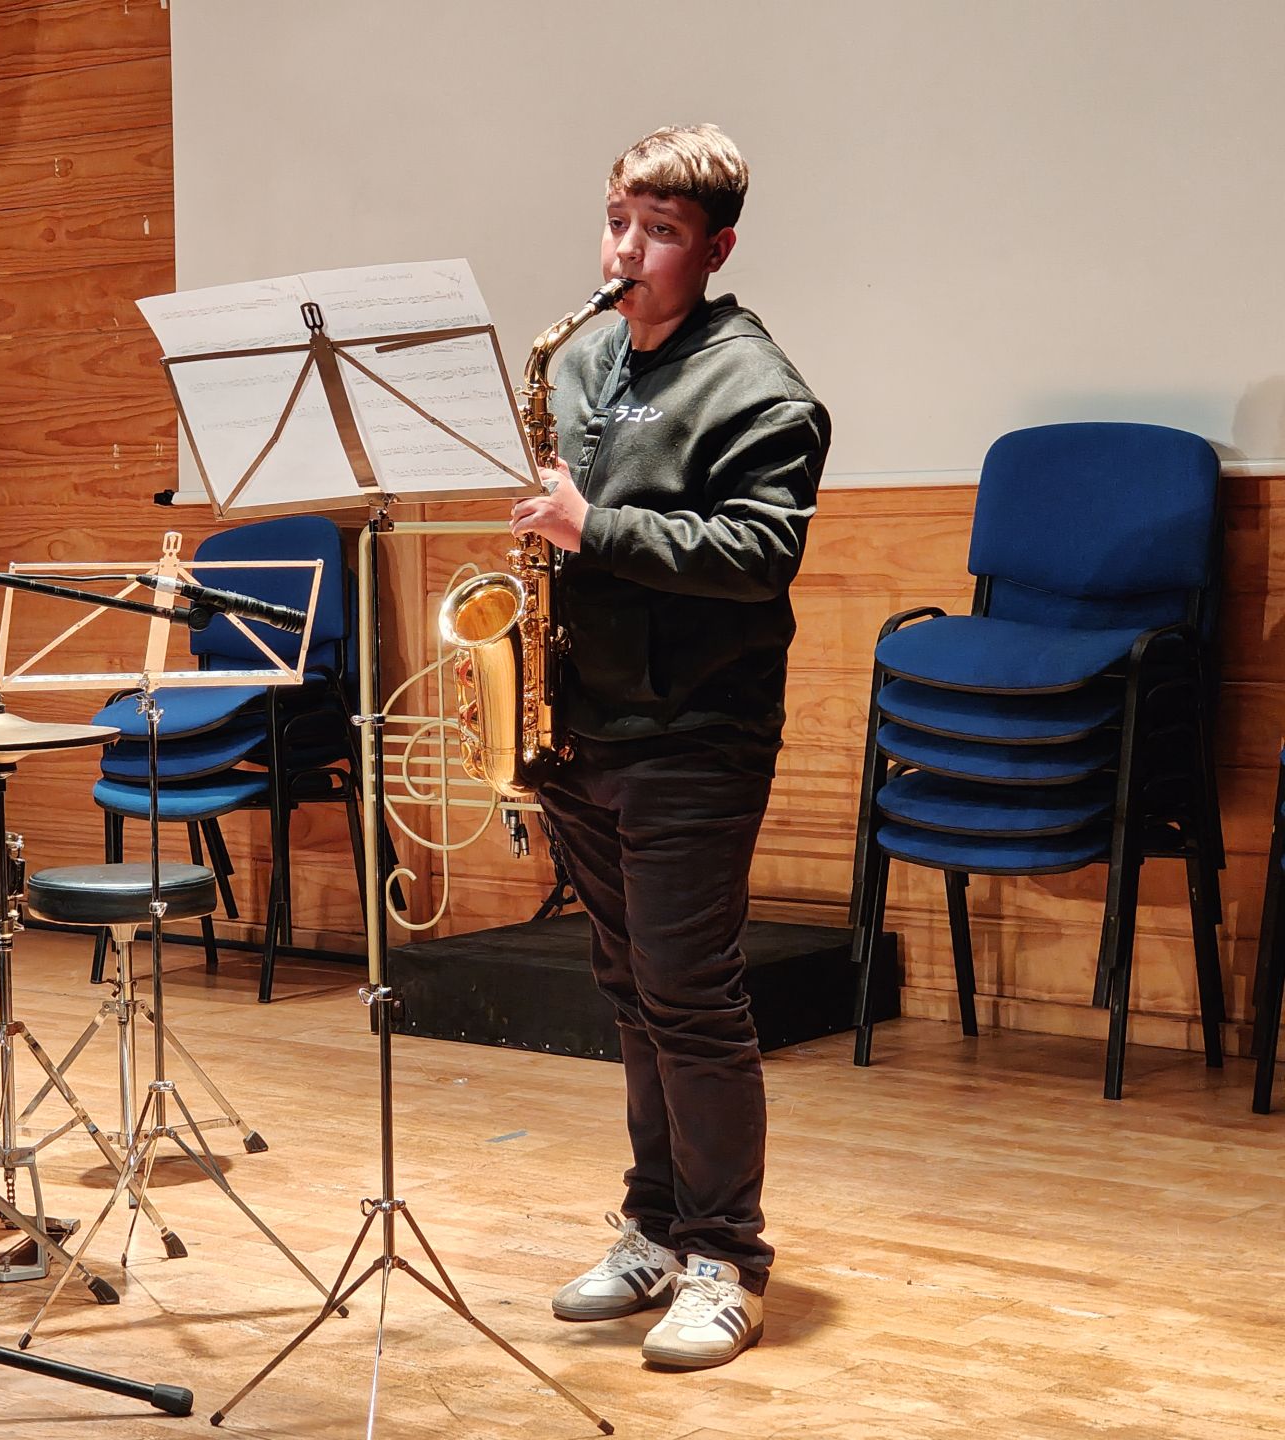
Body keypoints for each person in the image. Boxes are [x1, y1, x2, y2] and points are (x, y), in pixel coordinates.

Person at [509, 123, 830, 1372]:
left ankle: (727, 1258)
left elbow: (759, 556)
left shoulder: (760, 388)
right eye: (619, 223)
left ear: (717, 247)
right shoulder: (587, 360)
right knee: (630, 992)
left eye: (660, 233)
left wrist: (595, 527)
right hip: (585, 723)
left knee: (692, 1000)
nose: (628, 251)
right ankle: (653, 1223)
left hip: (696, 732)